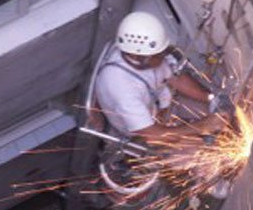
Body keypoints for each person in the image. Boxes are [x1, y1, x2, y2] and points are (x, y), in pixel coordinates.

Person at [95, 11, 225, 144]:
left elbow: (175, 78)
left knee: (215, 115)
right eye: (159, 54)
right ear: (138, 57)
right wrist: (201, 127)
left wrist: (212, 98)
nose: (164, 56)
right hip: (145, 133)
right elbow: (152, 136)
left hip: (159, 103)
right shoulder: (121, 88)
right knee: (203, 150)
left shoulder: (143, 55)